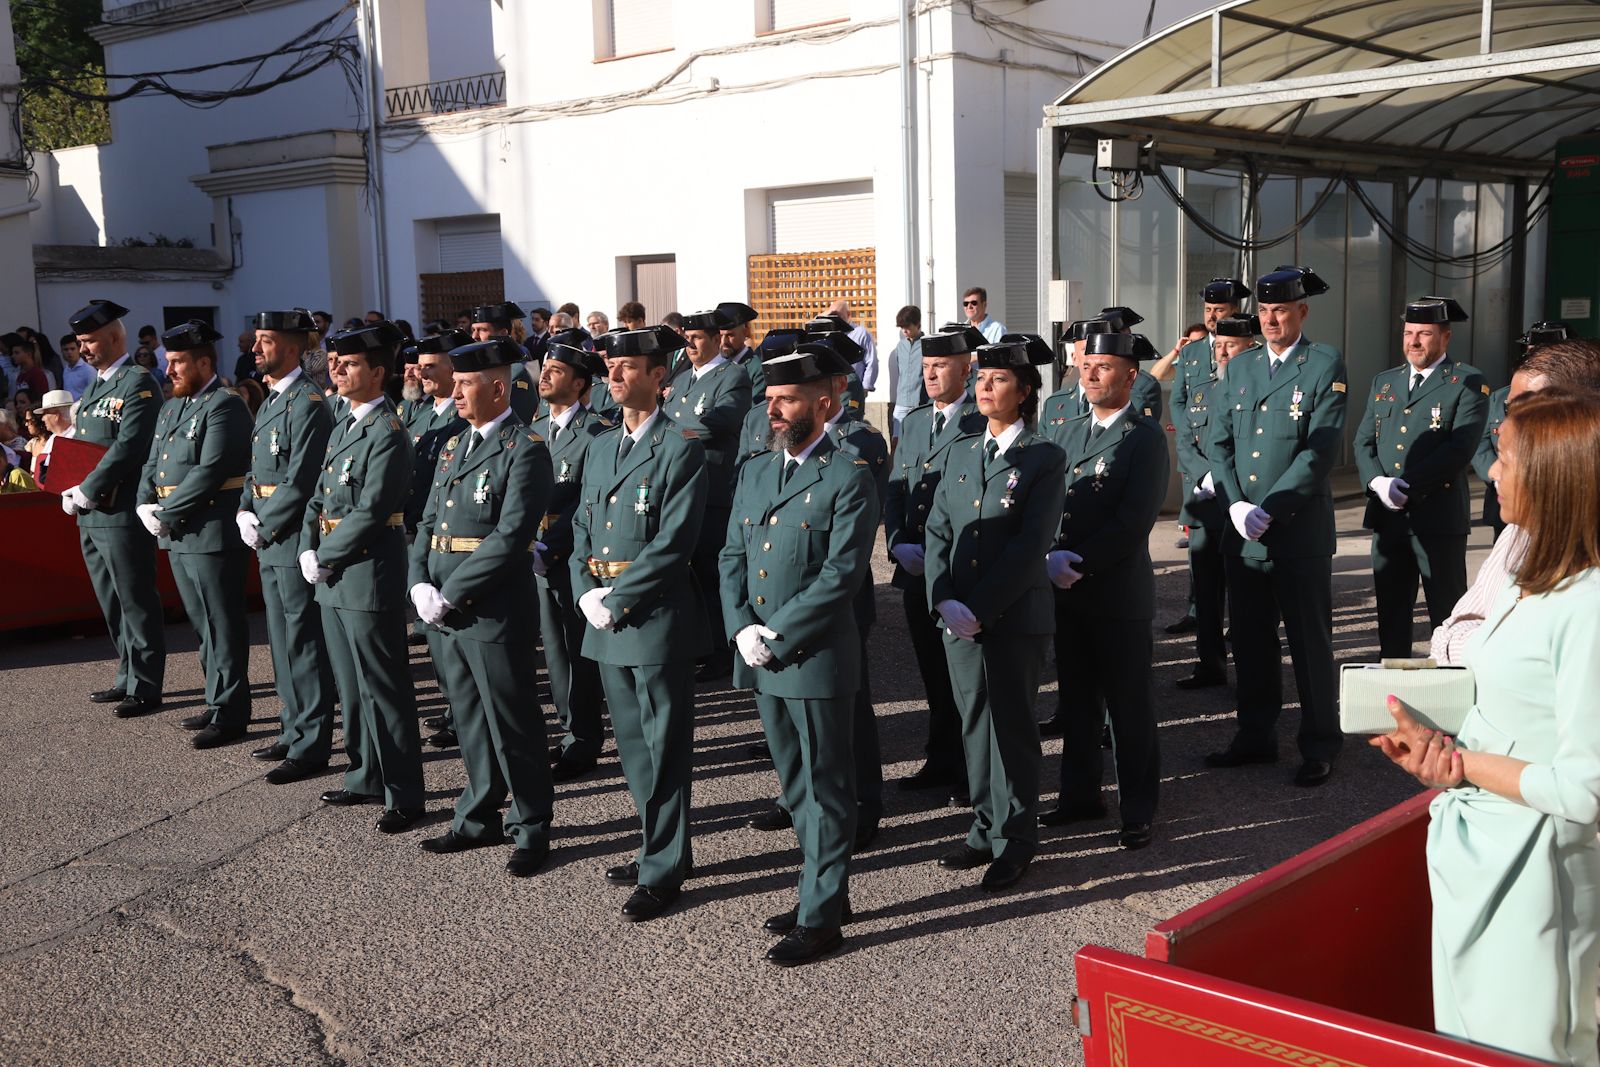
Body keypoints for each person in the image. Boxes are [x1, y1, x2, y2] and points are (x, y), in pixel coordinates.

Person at [1374, 387, 1600, 1066]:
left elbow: (1586, 788)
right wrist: (1441, 753)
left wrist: (1463, 764)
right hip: (1485, 858)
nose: (1491, 473)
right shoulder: (1539, 578)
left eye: (1502, 458)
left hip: (1534, 878)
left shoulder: (1587, 604)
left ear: (1554, 477)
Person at [719, 341, 880, 965]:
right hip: (759, 652)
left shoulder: (847, 474)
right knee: (795, 784)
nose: (773, 412)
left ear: (825, 401)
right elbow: (732, 554)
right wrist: (740, 628)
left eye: (786, 400)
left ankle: (821, 917)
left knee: (826, 787)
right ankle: (823, 891)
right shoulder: (757, 470)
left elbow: (841, 575)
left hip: (810, 658)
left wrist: (774, 634)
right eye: (769, 400)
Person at [573, 324, 710, 923]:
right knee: (633, 746)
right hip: (603, 613)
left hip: (652, 616)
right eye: (612, 365)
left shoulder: (681, 447)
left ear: (660, 377)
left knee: (664, 746)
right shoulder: (601, 446)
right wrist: (584, 592)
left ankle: (664, 867)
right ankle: (657, 844)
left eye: (630, 366)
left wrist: (617, 597)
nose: (616, 373)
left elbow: (674, 542)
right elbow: (581, 526)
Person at [408, 336, 557, 878]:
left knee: (512, 720)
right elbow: (427, 523)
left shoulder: (526, 448)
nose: (456, 390)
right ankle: (477, 817)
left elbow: (511, 533)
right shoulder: (453, 446)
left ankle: (531, 824)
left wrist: (451, 593)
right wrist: (418, 581)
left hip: (489, 607)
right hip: (442, 607)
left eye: (466, 383)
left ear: (497, 387)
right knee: (469, 717)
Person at [924, 339, 1065, 892]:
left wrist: (977, 608)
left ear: (1025, 391)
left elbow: (1032, 545)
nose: (984, 387)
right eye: (981, 378)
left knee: (1011, 727)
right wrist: (943, 597)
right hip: (957, 616)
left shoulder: (1043, 458)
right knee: (974, 724)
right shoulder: (961, 451)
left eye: (998, 380)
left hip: (1012, 617)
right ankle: (984, 826)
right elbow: (936, 529)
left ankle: (1017, 838)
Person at [1204, 266, 1347, 788]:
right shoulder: (1239, 370)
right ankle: (1255, 736)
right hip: (1244, 533)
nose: (1271, 320)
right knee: (1250, 639)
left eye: (1281, 310)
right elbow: (1219, 445)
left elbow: (1320, 449)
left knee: (1310, 643)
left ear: (1302, 312)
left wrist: (1273, 508)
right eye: (1264, 311)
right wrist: (1237, 507)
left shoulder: (1323, 363)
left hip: (1297, 532)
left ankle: (1320, 742)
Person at [1040, 330, 1170, 850]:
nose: (1090, 374)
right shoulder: (1068, 432)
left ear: (1130, 376)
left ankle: (1137, 807)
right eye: (1086, 365)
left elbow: (1134, 520)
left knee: (1128, 706)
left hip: (1117, 594)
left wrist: (1079, 562)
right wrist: (1050, 553)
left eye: (1104, 367)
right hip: (1067, 590)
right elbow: (1051, 503)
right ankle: (1079, 796)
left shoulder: (1144, 437)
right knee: (1077, 701)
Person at [302, 321, 426, 834]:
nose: (338, 369)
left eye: (349, 364)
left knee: (384, 684)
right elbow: (320, 495)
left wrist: (325, 552)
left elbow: (373, 509)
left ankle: (404, 792)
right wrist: (310, 545)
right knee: (351, 685)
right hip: (333, 571)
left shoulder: (388, 432)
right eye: (335, 362)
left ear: (378, 372)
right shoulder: (345, 423)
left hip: (367, 570)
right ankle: (365, 774)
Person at [1431, 338, 1600, 664]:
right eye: (1510, 409)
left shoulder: (1588, 596)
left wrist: (1496, 646)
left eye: (1527, 410)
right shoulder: (1521, 530)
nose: (1494, 468)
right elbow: (1450, 632)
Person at [135, 321, 253, 749]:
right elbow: (153, 463)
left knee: (222, 624)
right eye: (168, 361)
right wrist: (145, 502)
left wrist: (166, 511)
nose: (170, 370)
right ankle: (216, 698)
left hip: (209, 529)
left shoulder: (226, 404)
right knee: (202, 625)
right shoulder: (172, 407)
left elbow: (211, 469)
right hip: (178, 531)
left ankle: (231, 712)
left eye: (179, 362)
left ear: (204, 362)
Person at [883, 325, 986, 802]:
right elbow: (896, 488)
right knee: (931, 671)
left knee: (965, 677)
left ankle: (974, 770)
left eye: (940, 366)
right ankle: (941, 755)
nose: (930, 375)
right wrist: (897, 541)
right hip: (915, 567)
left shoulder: (980, 421)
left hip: (958, 569)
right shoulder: (917, 421)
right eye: (924, 367)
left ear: (967, 370)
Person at [1354, 297, 1489, 660]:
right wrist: (1378, 483)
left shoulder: (1467, 383)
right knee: (1391, 614)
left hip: (1437, 519)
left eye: (1424, 334)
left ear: (1445, 338)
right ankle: (1394, 695)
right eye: (1409, 332)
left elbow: (1459, 449)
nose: (1414, 341)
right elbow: (1363, 441)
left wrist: (1406, 486)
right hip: (1388, 516)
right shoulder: (1385, 381)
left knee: (1447, 616)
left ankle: (1447, 694)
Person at [237, 309, 337, 785]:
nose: (255, 350)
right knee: (280, 641)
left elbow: (300, 482)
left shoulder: (309, 403)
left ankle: (313, 742)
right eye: (257, 341)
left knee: (303, 642)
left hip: (291, 536)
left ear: (294, 348)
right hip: (267, 537)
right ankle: (292, 725)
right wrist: (243, 509)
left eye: (266, 342)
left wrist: (266, 524)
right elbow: (257, 470)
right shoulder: (274, 399)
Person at [61, 299, 167, 718]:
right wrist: (71, 487)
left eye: (88, 340)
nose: (83, 349)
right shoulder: (97, 386)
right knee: (110, 598)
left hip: (120, 509)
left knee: (135, 597)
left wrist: (88, 488)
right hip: (92, 512)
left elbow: (129, 446)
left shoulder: (137, 382)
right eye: (80, 342)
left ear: (113, 336)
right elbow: (86, 447)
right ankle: (127, 674)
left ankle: (146, 684)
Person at [531, 340, 613, 782]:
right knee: (554, 652)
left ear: (580, 384)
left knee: (575, 650)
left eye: (556, 371)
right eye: (545, 367)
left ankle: (583, 739)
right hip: (532, 555)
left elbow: (588, 502)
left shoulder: (596, 433)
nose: (545, 376)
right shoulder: (534, 428)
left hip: (566, 556)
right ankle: (568, 729)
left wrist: (551, 546)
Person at [667, 306, 753, 682]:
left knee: (713, 572)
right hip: (681, 486)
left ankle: (721, 650)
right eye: (686, 339)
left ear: (717, 339)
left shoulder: (732, 376)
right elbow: (666, 415)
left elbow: (719, 422)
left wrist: (670, 433)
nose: (689, 344)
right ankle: (701, 644)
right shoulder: (684, 378)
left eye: (697, 338)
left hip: (713, 488)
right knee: (690, 574)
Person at [1171, 314, 1256, 689]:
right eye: (1218, 345)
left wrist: (1226, 484)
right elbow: (1185, 437)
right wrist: (1205, 474)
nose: (1221, 352)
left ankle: (1249, 673)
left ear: (1249, 347)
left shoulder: (1257, 388)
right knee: (1206, 592)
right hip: (1205, 502)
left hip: (1243, 504)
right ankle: (1209, 665)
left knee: (1245, 595)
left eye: (1230, 346)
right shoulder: (1204, 390)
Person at [402, 331, 470, 749]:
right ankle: (452, 708)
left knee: (453, 635)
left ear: (453, 369)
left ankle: (461, 713)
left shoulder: (460, 420)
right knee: (435, 637)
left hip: (449, 535)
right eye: (419, 365)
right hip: (420, 527)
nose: (421, 372)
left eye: (431, 365)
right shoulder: (422, 413)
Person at [1475, 321, 1568, 537]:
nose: (1533, 360)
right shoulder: (1500, 397)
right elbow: (1480, 441)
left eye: (1542, 355)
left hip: (1557, 501)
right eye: (1530, 353)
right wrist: (1499, 475)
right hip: (1505, 499)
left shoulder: (1576, 399)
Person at [469, 303, 538, 420]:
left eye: (482, 330)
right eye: (473, 330)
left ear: (503, 333)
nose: (474, 336)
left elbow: (522, 415)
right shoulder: (474, 366)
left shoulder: (516, 369)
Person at [888, 305, 926, 441]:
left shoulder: (927, 345)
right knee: (896, 441)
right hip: (901, 402)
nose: (904, 330)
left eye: (907, 326)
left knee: (918, 441)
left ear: (918, 324)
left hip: (920, 403)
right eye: (901, 327)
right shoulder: (900, 346)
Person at [716, 302, 764, 405]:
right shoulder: (716, 365)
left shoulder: (756, 369)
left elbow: (756, 409)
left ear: (745, 332)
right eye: (720, 336)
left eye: (730, 335)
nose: (724, 342)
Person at [826, 300, 878, 391]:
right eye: (832, 315)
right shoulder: (829, 334)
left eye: (838, 315)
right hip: (833, 389)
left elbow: (871, 361)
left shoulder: (861, 333)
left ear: (848, 314)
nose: (835, 319)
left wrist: (865, 387)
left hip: (854, 388)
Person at [59, 334, 94, 398]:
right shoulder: (66, 369)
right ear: (61, 351)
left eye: (72, 349)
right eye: (66, 349)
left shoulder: (88, 370)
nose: (69, 352)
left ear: (79, 349)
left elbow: (94, 392)